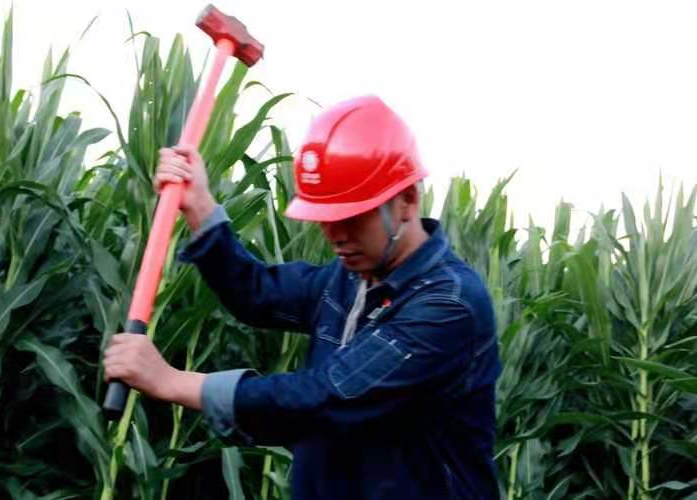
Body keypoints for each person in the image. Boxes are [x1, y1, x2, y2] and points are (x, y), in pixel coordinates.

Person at [103, 95, 502, 499]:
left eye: (351, 217)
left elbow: (326, 398)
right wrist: (200, 209)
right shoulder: (351, 278)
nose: (336, 236)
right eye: (325, 218)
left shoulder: (449, 304)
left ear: (407, 201)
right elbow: (256, 294)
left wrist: (171, 381)